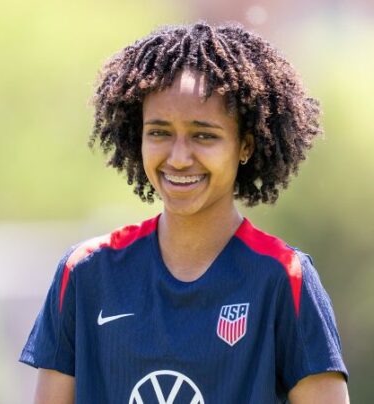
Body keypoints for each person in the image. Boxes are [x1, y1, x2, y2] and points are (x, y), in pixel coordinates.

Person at [20, 22, 349, 403]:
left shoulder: (284, 280)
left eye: (204, 135)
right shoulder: (85, 274)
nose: (178, 158)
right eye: (159, 132)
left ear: (245, 145)